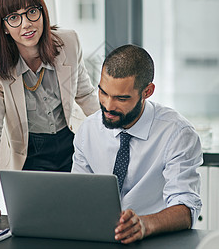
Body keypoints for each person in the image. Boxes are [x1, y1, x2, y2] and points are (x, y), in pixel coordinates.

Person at [0, 0, 99, 223]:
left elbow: (86, 96)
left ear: (43, 14)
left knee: (79, 219)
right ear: (3, 26)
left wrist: (115, 136)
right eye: (14, 18)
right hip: (29, 153)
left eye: (32, 12)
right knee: (41, 224)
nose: (26, 24)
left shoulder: (68, 43)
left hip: (71, 142)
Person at [72, 44, 202, 244]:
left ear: (147, 92)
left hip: (156, 240)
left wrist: (144, 224)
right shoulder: (87, 131)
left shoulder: (177, 134)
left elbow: (186, 208)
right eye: (103, 92)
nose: (108, 106)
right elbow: (78, 196)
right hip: (100, 239)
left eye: (121, 98)